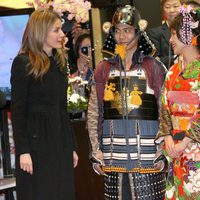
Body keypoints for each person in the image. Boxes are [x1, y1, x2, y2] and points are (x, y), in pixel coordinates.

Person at [87, 5, 167, 199]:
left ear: (138, 33)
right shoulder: (103, 69)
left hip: (148, 157)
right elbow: (94, 112)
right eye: (117, 30)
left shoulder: (154, 67)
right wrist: (96, 151)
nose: (121, 36)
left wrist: (163, 152)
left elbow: (165, 110)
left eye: (127, 30)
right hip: (114, 156)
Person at [10, 8, 78, 200]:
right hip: (36, 145)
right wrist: (23, 151)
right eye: (56, 30)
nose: (62, 35)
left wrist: (71, 145)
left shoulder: (59, 63)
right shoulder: (23, 63)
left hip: (60, 142)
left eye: (61, 30)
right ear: (41, 31)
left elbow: (62, 109)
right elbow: (18, 111)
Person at [155, 5, 200, 199]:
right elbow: (164, 108)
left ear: (188, 34)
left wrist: (186, 141)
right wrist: (168, 139)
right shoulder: (172, 71)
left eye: (174, 34)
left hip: (195, 148)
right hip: (175, 149)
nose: (171, 39)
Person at [147, 0, 183, 69]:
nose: (172, 10)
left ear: (183, 8)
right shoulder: (155, 33)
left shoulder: (192, 29)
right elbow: (154, 60)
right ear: (163, 10)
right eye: (167, 7)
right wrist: (177, 58)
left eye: (175, 6)